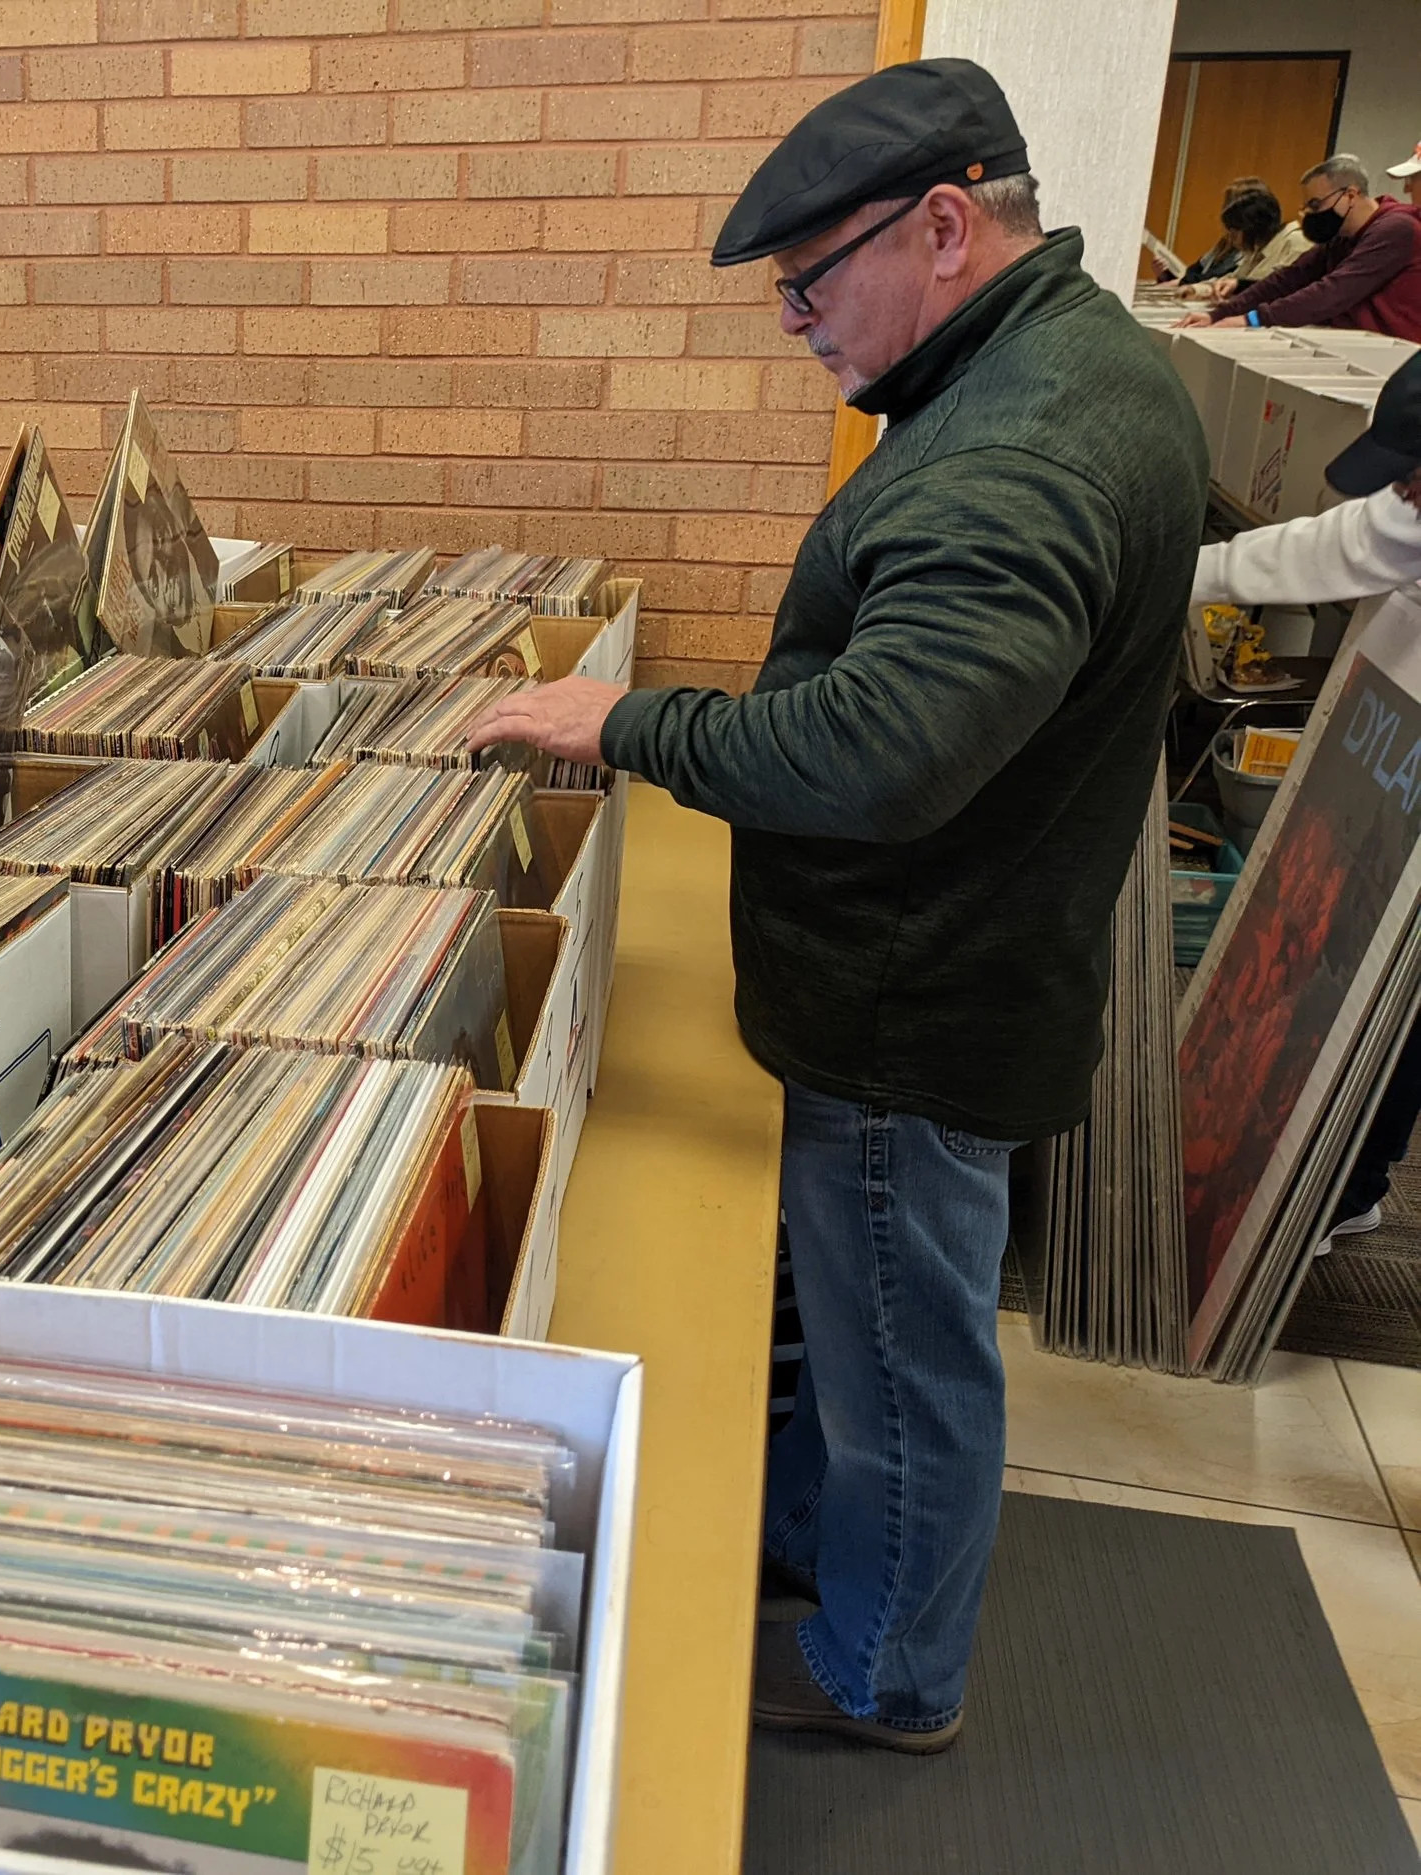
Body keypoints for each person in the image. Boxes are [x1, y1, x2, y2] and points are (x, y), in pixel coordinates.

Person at [469, 59, 1206, 1752]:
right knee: (876, 1335)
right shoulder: (1074, 359)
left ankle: (889, 1672)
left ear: (945, 227)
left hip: (908, 1005)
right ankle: (818, 1545)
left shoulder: (1011, 451)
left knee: (902, 1361)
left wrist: (629, 724)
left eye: (812, 277)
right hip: (951, 968)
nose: (793, 318)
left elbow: (882, 754)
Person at [1194, 351, 1421, 1250]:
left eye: (1414, 476)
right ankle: (1345, 1175)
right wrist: (1182, 571)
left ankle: (1354, 1182)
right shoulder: (1409, 510)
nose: (1404, 495)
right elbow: (1342, 544)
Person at [1179, 155, 1421, 340]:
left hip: (1395, 356)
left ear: (1350, 195)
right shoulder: (1343, 236)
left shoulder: (1396, 229)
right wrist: (1219, 314)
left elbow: (1333, 291)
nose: (1311, 214)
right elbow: (1288, 278)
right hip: (1359, 343)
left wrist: (1253, 319)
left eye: (1316, 205)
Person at [1185, 183, 1312, 299]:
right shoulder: (1259, 247)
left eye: (1234, 233)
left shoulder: (1296, 243)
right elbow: (1232, 279)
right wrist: (1196, 289)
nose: (1231, 240)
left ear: (1251, 229)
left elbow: (1280, 289)